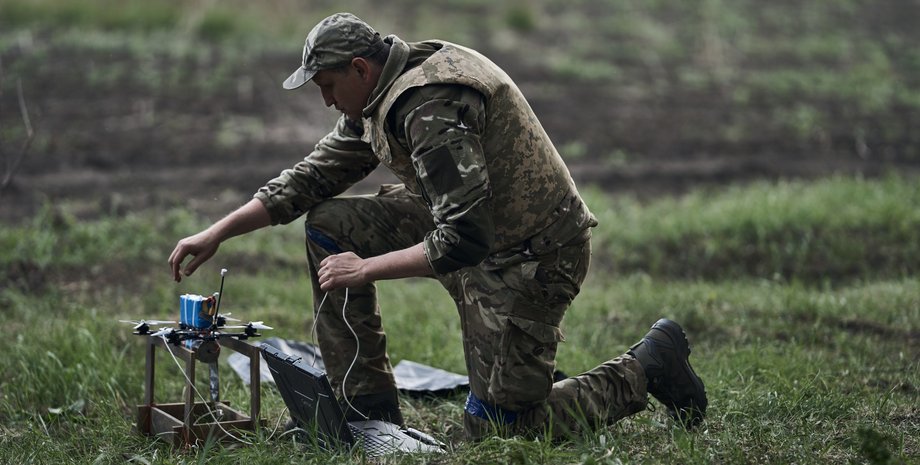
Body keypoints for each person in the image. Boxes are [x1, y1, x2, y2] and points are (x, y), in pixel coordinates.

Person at [168, 12, 707, 440]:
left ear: (360, 68)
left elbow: (464, 238)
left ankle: (646, 368)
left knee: (501, 430)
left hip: (531, 256)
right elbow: (312, 178)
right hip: (471, 233)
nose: (327, 100)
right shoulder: (381, 92)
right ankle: (364, 407)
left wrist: (366, 269)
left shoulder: (428, 106)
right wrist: (217, 232)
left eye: (328, 85)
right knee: (331, 223)